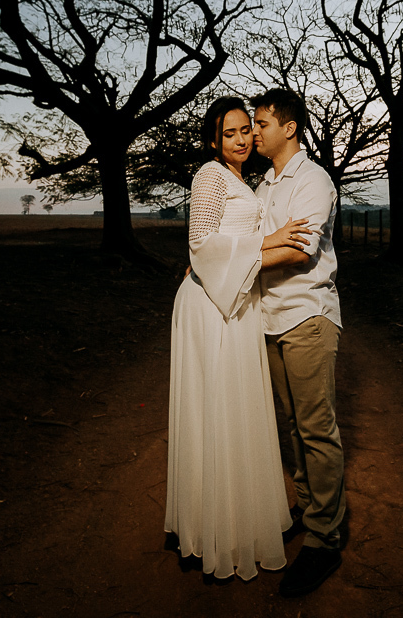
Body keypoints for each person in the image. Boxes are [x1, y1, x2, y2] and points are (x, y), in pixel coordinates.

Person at [164, 96, 313, 581]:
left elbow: (227, 239)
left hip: (236, 298)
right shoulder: (210, 176)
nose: (242, 139)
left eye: (246, 129)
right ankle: (211, 531)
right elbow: (202, 243)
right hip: (212, 304)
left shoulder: (242, 179)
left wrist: (266, 241)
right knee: (216, 407)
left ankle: (238, 521)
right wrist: (272, 240)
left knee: (236, 409)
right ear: (213, 141)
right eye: (229, 133)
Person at [251, 88, 346, 598]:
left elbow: (298, 250)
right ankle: (308, 510)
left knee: (316, 429)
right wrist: (255, 246)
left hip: (307, 316)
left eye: (261, 123)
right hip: (268, 318)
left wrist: (233, 261)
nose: (253, 132)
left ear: (289, 128)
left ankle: (325, 538)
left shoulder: (312, 180)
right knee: (291, 426)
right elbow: (262, 242)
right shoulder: (263, 185)